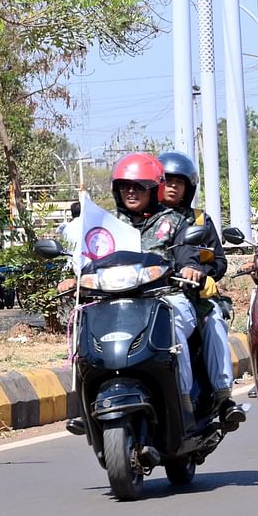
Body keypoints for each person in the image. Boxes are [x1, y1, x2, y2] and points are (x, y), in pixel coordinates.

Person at [62, 153, 205, 421]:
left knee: (175, 335)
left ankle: (184, 400)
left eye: (139, 186)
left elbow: (188, 254)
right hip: (113, 303)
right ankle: (82, 407)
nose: (131, 192)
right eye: (125, 186)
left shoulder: (175, 221)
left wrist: (190, 268)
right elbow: (88, 258)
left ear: (154, 189)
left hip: (164, 298)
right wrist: (74, 277)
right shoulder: (105, 223)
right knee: (83, 333)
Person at [157, 151, 247, 425]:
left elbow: (218, 262)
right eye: (166, 180)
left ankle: (222, 395)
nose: (172, 186)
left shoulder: (198, 221)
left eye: (178, 182)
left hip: (193, 294)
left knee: (214, 320)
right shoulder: (144, 219)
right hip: (148, 293)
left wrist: (200, 273)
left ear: (188, 187)